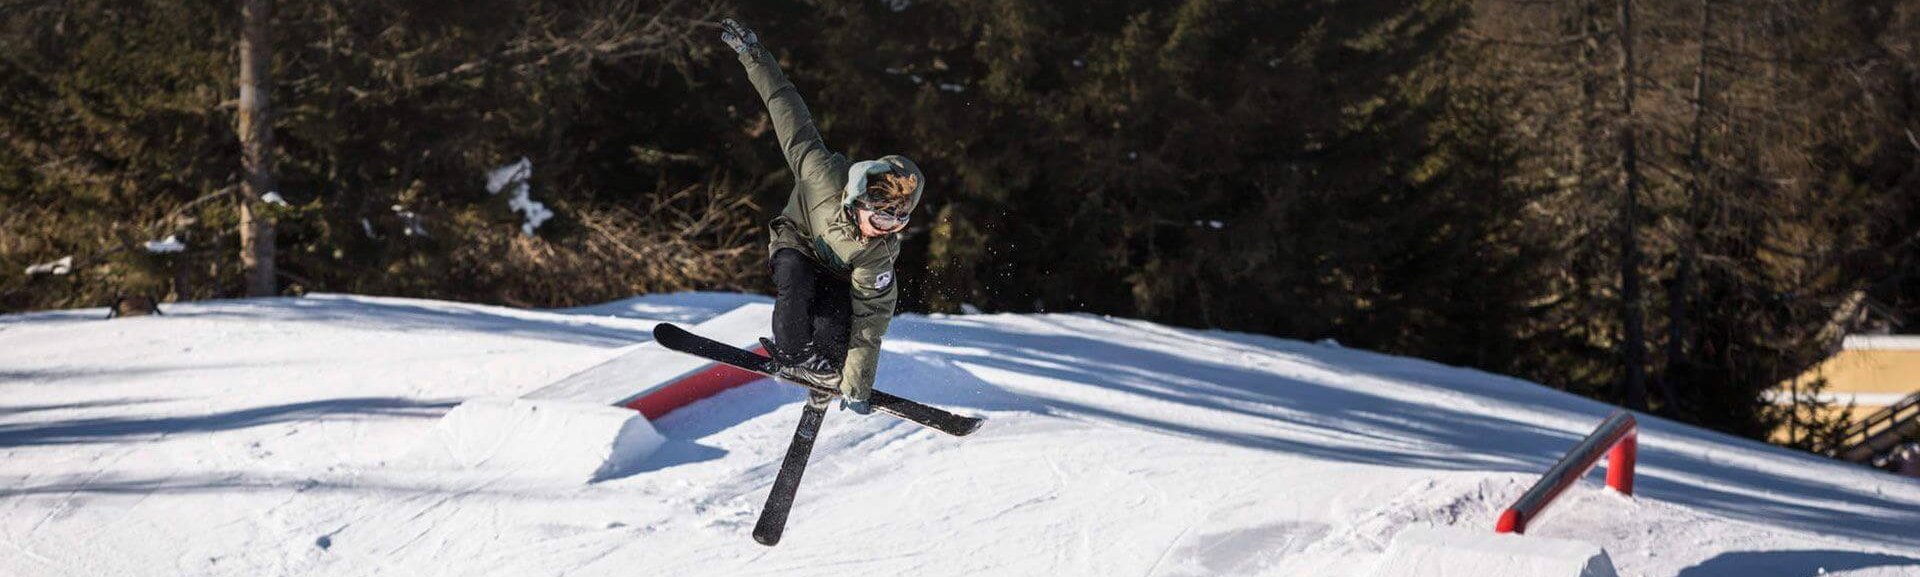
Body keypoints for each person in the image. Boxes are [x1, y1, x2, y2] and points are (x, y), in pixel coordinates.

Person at [720, 18, 924, 414]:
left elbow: (869, 327)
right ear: (857, 202)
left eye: (897, 225)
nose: (884, 232)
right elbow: (786, 107)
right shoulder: (820, 172)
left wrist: (857, 384)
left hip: (837, 277)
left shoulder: (876, 257)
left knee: (836, 331)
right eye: (881, 221)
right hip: (797, 241)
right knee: (795, 284)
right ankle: (795, 354)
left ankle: (824, 369)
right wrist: (752, 55)